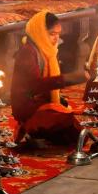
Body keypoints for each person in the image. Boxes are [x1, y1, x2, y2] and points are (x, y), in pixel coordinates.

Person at [10, 11, 82, 145]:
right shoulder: (28, 52)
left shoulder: (48, 50)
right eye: (52, 34)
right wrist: (66, 79)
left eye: (58, 34)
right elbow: (34, 85)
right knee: (68, 125)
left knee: (73, 129)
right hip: (29, 107)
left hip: (42, 102)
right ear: (40, 32)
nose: (56, 39)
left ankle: (41, 133)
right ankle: (28, 128)